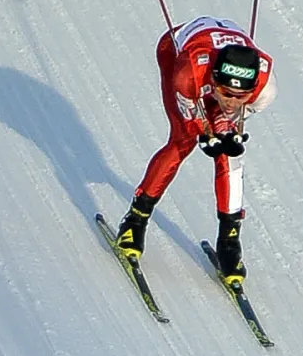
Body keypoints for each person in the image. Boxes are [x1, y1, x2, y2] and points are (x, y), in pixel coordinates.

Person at [116, 16, 277, 285]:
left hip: (218, 58)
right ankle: (135, 221)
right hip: (178, 51)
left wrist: (225, 128)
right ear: (214, 80)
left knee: (228, 151)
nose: (231, 101)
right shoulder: (187, 75)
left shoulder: (265, 89)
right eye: (225, 93)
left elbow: (234, 115)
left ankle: (229, 242)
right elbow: (192, 117)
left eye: (241, 96)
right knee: (183, 140)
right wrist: (204, 132)